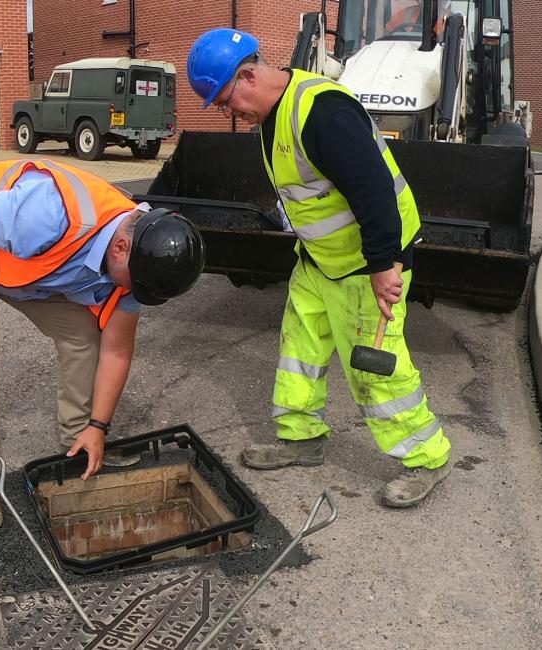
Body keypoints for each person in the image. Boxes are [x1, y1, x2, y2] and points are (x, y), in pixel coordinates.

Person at [186, 28, 451, 508]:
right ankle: (302, 438)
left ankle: (427, 458)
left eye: (226, 102)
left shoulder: (323, 112)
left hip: (367, 262)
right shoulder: (274, 115)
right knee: (299, 350)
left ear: (248, 76)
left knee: (375, 369)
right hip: (320, 259)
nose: (229, 113)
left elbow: (374, 191)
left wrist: (383, 265)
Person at [0, 159, 205, 532]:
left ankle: (79, 436)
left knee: (85, 335)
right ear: (121, 247)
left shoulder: (138, 260)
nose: (131, 291)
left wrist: (98, 426)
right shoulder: (47, 215)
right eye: (133, 283)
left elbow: (116, 351)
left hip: (24, 270)